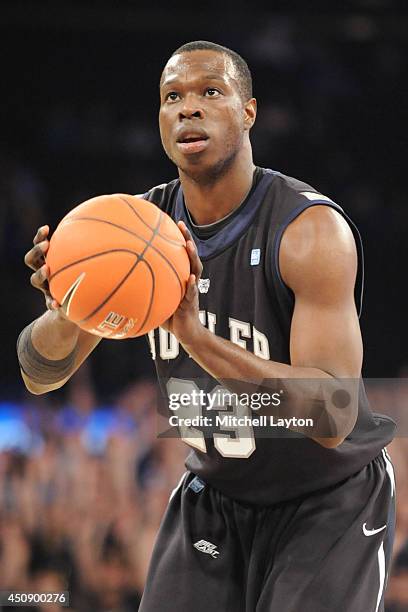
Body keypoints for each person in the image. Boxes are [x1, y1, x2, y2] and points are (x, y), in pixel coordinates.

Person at [18, 41, 396, 611]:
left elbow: (332, 416)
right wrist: (67, 311)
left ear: (248, 112)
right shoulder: (133, 233)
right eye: (173, 97)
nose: (187, 108)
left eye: (209, 92)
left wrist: (196, 338)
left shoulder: (308, 231)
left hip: (327, 502)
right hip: (216, 497)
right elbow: (39, 373)